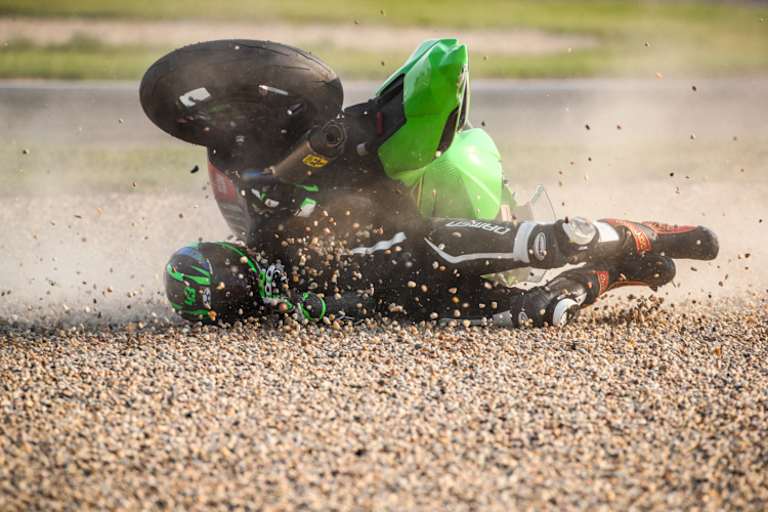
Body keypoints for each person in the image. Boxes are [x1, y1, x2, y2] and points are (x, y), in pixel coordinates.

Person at [161, 39, 718, 327]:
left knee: (540, 241)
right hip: (411, 287)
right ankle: (614, 269)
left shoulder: (272, 228)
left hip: (423, 237)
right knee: (540, 311)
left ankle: (646, 235)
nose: (249, 288)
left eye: (238, 281)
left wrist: (317, 151)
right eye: (239, 295)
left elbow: (313, 178)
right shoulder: (286, 302)